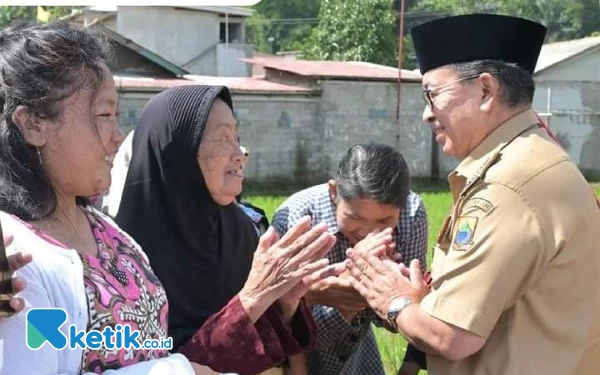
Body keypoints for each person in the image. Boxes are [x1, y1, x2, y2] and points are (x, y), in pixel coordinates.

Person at [343, 13, 600, 375]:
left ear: (485, 90)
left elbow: (452, 336)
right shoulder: (539, 160)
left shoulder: (506, 187)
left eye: (431, 95)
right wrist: (424, 301)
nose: (426, 115)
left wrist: (393, 299)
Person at [0, 21, 218, 375]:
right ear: (33, 124)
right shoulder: (14, 257)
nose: (118, 136)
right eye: (103, 116)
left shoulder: (107, 232)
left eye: (116, 115)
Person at [113, 85, 350, 375]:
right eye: (223, 137)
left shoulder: (242, 232)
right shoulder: (121, 259)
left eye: (237, 136)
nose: (241, 153)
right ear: (178, 151)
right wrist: (253, 299)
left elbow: (264, 346)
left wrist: (284, 306)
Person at [271, 143, 428, 375]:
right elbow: (285, 323)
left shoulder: (411, 215)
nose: (368, 232)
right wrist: (352, 283)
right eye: (355, 217)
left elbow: (411, 315)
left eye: (384, 221)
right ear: (334, 192)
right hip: (298, 357)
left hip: (358, 351)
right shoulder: (299, 219)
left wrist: (392, 289)